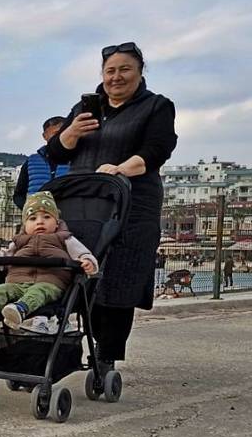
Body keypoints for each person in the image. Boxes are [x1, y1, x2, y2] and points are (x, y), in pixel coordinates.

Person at [46, 41, 177, 370]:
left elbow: (157, 150)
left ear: (140, 72)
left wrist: (121, 169)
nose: (116, 77)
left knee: (119, 278)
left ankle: (106, 355)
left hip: (131, 203)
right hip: (82, 203)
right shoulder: (85, 107)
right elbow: (56, 153)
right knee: (77, 274)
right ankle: (63, 346)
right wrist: (71, 133)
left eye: (124, 69)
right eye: (110, 71)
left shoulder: (156, 106)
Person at [0, 191, 98, 335]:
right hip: (16, 283)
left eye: (47, 217)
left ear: (57, 223)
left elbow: (82, 253)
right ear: (25, 225)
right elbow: (3, 258)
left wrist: (88, 262)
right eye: (33, 218)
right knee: (0, 290)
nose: (40, 222)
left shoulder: (64, 238)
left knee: (38, 292)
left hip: (49, 283)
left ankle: (20, 309)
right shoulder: (19, 242)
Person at [12, 117, 71, 208]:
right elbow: (19, 194)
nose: (60, 137)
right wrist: (30, 210)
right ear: (44, 136)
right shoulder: (32, 162)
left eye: (64, 132)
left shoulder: (79, 159)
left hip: (71, 213)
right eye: (55, 133)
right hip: (40, 214)